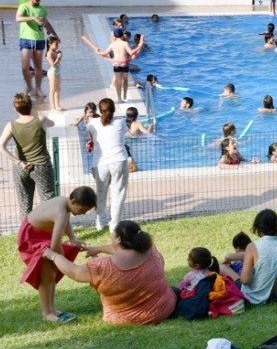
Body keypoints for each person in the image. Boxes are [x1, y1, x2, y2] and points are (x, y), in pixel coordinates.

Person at [44, 220, 178, 325]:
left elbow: (74, 272)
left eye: (113, 234)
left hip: (125, 319)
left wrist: (53, 255)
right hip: (164, 309)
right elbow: (123, 251)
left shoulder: (103, 267)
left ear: (118, 239)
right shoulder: (150, 249)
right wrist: (97, 249)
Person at [18, 187, 95, 323]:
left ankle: (52, 310)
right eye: (82, 210)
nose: (83, 214)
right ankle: (47, 314)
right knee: (46, 276)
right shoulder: (60, 212)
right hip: (31, 238)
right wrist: (63, 263)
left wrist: (72, 239)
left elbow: (65, 222)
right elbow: (55, 245)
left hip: (41, 234)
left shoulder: (65, 203)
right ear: (74, 201)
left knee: (51, 276)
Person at [219, 209, 277, 306]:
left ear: (258, 228)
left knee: (222, 267)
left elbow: (245, 281)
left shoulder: (252, 247)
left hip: (259, 296)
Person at [0, 93, 56, 217]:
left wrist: (19, 162)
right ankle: (51, 232)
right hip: (42, 165)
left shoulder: (11, 125)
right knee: (48, 199)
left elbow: (0, 147)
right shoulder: (41, 120)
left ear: (14, 108)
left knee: (24, 204)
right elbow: (52, 123)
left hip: (21, 167)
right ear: (31, 106)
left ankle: (26, 234)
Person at [87, 99, 129, 232]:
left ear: (99, 110)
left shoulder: (92, 124)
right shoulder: (121, 122)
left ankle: (100, 222)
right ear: (114, 109)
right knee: (118, 193)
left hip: (100, 163)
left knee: (101, 193)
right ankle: (114, 224)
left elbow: (92, 140)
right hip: (118, 160)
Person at [17, 0, 58, 99]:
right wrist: (33, 18)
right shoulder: (24, 7)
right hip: (26, 39)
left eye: (39, 0)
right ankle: (29, 86)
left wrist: (55, 34)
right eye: (36, 0)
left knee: (38, 66)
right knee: (25, 66)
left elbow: (46, 22)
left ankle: (38, 88)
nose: (37, 2)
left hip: (39, 39)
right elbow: (18, 18)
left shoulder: (41, 8)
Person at [94, 29, 144, 103]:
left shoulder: (112, 44)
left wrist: (97, 52)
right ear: (122, 35)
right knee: (125, 80)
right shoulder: (125, 43)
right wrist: (139, 47)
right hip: (124, 64)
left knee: (118, 82)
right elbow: (131, 52)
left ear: (114, 36)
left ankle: (119, 99)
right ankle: (125, 95)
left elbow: (105, 53)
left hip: (117, 64)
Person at [46, 37, 63, 111]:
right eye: (55, 44)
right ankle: (53, 107)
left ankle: (57, 105)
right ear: (50, 44)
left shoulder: (56, 51)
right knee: (52, 89)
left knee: (58, 89)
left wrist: (60, 55)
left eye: (57, 44)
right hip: (52, 72)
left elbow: (59, 61)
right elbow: (53, 65)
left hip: (57, 72)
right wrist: (58, 58)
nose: (57, 46)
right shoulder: (49, 53)